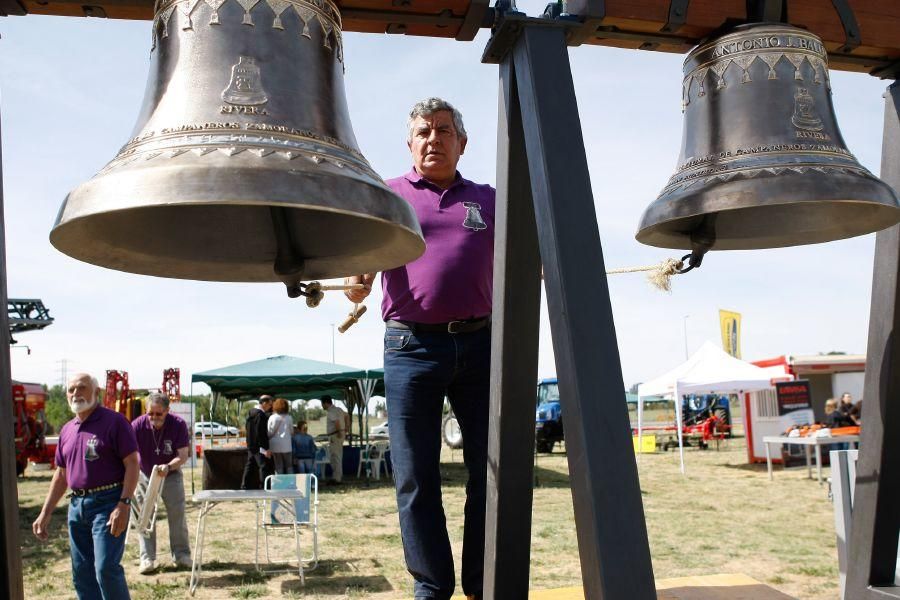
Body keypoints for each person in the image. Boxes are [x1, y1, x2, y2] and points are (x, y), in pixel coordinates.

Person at [345, 97, 494, 600]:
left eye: (445, 130)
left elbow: (529, 245)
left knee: (491, 469)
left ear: (462, 142)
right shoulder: (388, 196)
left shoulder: (491, 199)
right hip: (410, 348)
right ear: (410, 144)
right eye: (424, 132)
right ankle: (432, 585)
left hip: (480, 345)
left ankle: (483, 580)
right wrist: (358, 274)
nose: (434, 139)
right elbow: (362, 255)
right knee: (415, 477)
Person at [32, 373, 139, 599]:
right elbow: (61, 476)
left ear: (96, 392)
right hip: (77, 506)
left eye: (81, 388)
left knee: (105, 569)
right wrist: (45, 513)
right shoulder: (67, 430)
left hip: (109, 504)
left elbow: (132, 463)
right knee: (82, 573)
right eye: (71, 390)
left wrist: (124, 503)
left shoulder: (115, 422)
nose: (75, 393)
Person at [131, 391, 192, 574]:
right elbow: (130, 454)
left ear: (167, 411)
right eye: (150, 413)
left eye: (159, 414)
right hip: (145, 474)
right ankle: (147, 558)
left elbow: (182, 455)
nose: (154, 417)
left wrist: (168, 467)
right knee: (145, 516)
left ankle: (181, 555)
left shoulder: (178, 424)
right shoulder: (137, 425)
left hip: (170, 474)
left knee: (177, 514)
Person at [241, 394, 274, 489]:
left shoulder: (251, 413)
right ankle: (264, 486)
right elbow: (261, 433)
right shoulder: (260, 415)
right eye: (269, 404)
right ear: (264, 403)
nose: (270, 407)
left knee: (250, 465)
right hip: (259, 446)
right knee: (263, 466)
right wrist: (266, 448)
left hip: (251, 444)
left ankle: (244, 485)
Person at [321, 395, 346, 484]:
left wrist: (339, 431)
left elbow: (336, 422)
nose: (322, 406)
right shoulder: (339, 409)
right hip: (339, 434)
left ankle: (337, 478)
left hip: (335, 435)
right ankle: (337, 476)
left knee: (335, 457)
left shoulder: (331, 411)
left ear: (325, 403)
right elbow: (347, 416)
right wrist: (346, 429)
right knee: (337, 456)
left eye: (322, 404)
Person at [267, 398, 294, 475]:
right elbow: (292, 432)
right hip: (287, 445)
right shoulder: (289, 418)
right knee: (289, 466)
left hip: (275, 445)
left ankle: (279, 485)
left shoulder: (272, 417)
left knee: (278, 466)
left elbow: (269, 432)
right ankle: (290, 484)